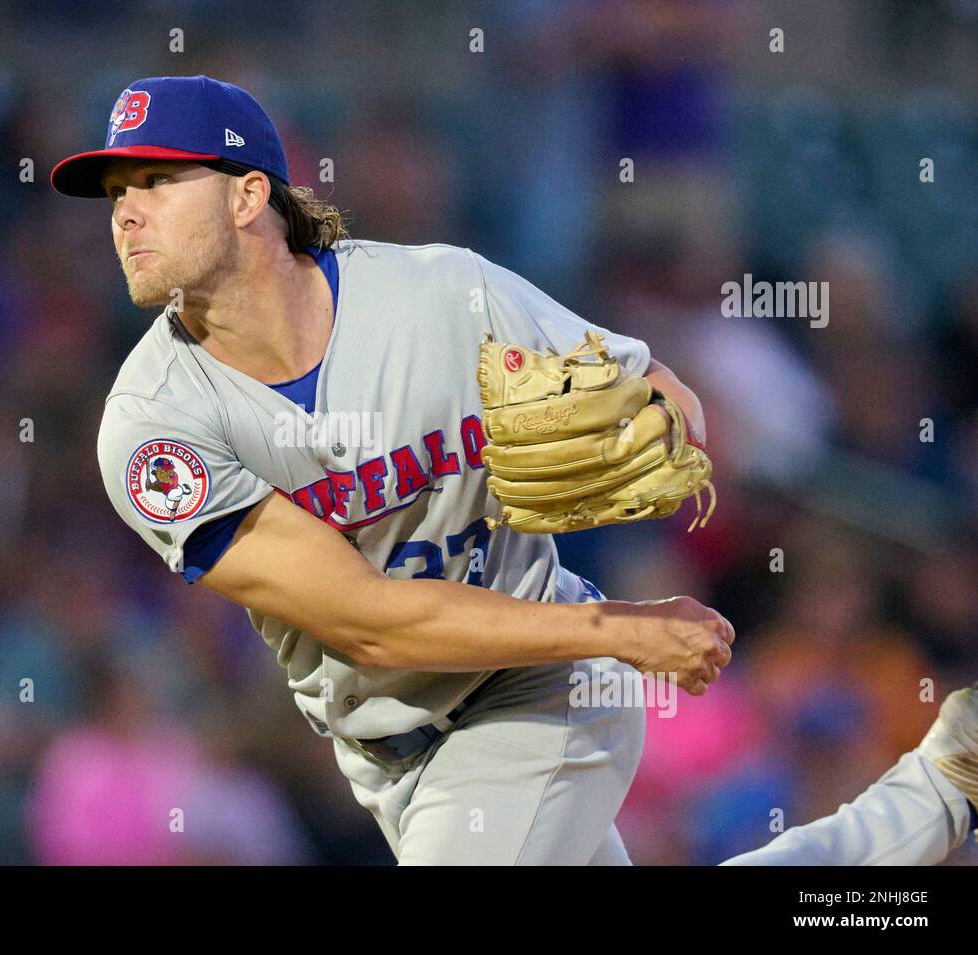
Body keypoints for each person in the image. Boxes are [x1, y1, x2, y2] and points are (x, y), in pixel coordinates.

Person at [51, 74, 978, 865]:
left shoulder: (440, 294)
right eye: (116, 190)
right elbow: (369, 622)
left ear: (250, 196)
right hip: (393, 752)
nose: (126, 209)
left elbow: (662, 393)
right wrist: (619, 627)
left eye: (158, 180)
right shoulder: (152, 426)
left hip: (538, 689)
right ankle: (933, 800)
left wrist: (660, 427)